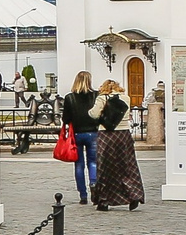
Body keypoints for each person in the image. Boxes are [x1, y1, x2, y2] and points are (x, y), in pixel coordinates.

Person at [90, 80, 145, 212]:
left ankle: (104, 200)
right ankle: (134, 195)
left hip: (106, 134)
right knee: (127, 165)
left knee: (105, 167)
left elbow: (94, 114)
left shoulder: (102, 98)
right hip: (124, 134)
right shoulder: (126, 98)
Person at [61, 71, 102, 203]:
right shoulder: (96, 95)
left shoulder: (69, 98)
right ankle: (94, 185)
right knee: (93, 162)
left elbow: (65, 119)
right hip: (93, 133)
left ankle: (83, 195)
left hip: (77, 134)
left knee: (79, 165)